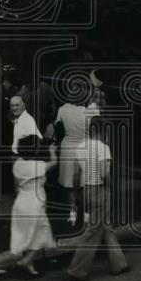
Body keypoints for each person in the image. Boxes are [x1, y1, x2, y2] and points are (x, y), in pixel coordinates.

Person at [66, 120, 130, 281]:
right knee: (93, 230)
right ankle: (77, 270)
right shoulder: (103, 148)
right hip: (100, 190)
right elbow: (104, 173)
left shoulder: (80, 148)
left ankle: (119, 263)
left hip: (87, 189)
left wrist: (76, 194)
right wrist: (114, 188)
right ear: (102, 132)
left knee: (105, 227)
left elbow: (75, 175)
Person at [53, 82, 100, 227]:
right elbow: (97, 128)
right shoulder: (90, 111)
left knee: (69, 183)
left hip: (68, 147)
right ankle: (85, 216)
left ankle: (72, 215)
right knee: (84, 183)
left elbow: (57, 128)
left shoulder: (63, 110)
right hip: (85, 146)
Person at [9, 135, 57, 277]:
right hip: (34, 201)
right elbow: (54, 162)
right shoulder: (37, 165)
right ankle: (26, 261)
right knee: (43, 232)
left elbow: (17, 186)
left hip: (21, 200)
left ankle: (29, 267)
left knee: (25, 233)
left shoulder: (17, 163)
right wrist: (52, 150)